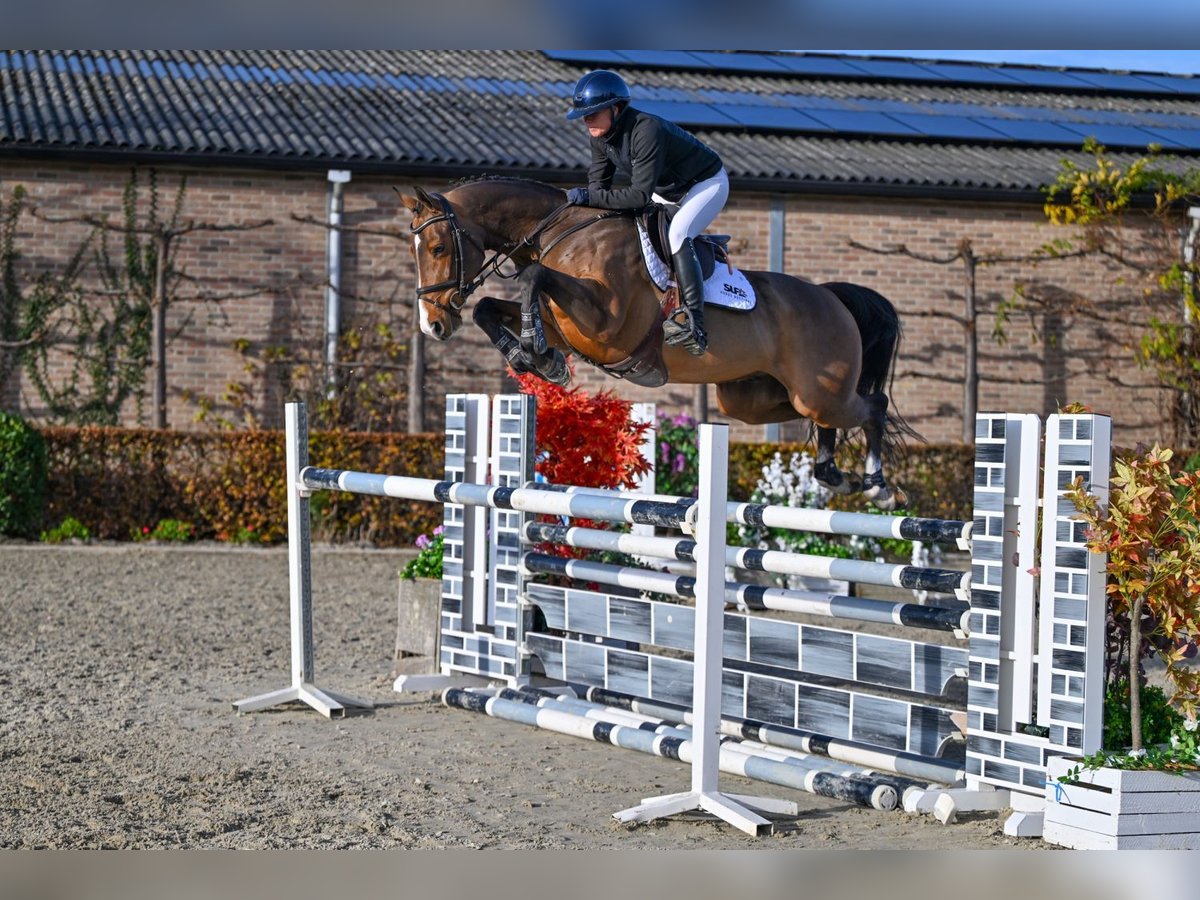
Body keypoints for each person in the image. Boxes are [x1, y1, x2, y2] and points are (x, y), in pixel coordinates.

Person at [564, 69, 728, 356]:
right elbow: (598, 187)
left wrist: (589, 197)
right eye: (583, 115)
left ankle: (695, 323)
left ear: (616, 108)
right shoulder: (600, 137)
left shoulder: (646, 129)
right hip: (664, 190)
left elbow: (637, 196)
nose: (587, 120)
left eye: (593, 113)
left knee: (678, 234)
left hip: (705, 184)